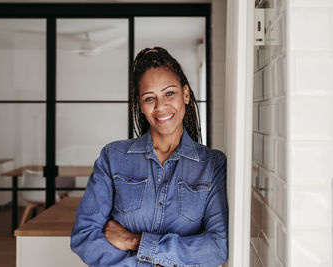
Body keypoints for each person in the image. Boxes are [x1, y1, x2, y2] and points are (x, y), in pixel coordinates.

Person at [71, 47, 228, 267]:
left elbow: (217, 247)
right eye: (149, 98)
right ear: (141, 106)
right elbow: (85, 236)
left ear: (185, 94)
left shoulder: (212, 164)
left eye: (169, 93)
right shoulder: (112, 157)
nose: (161, 106)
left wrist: (135, 242)